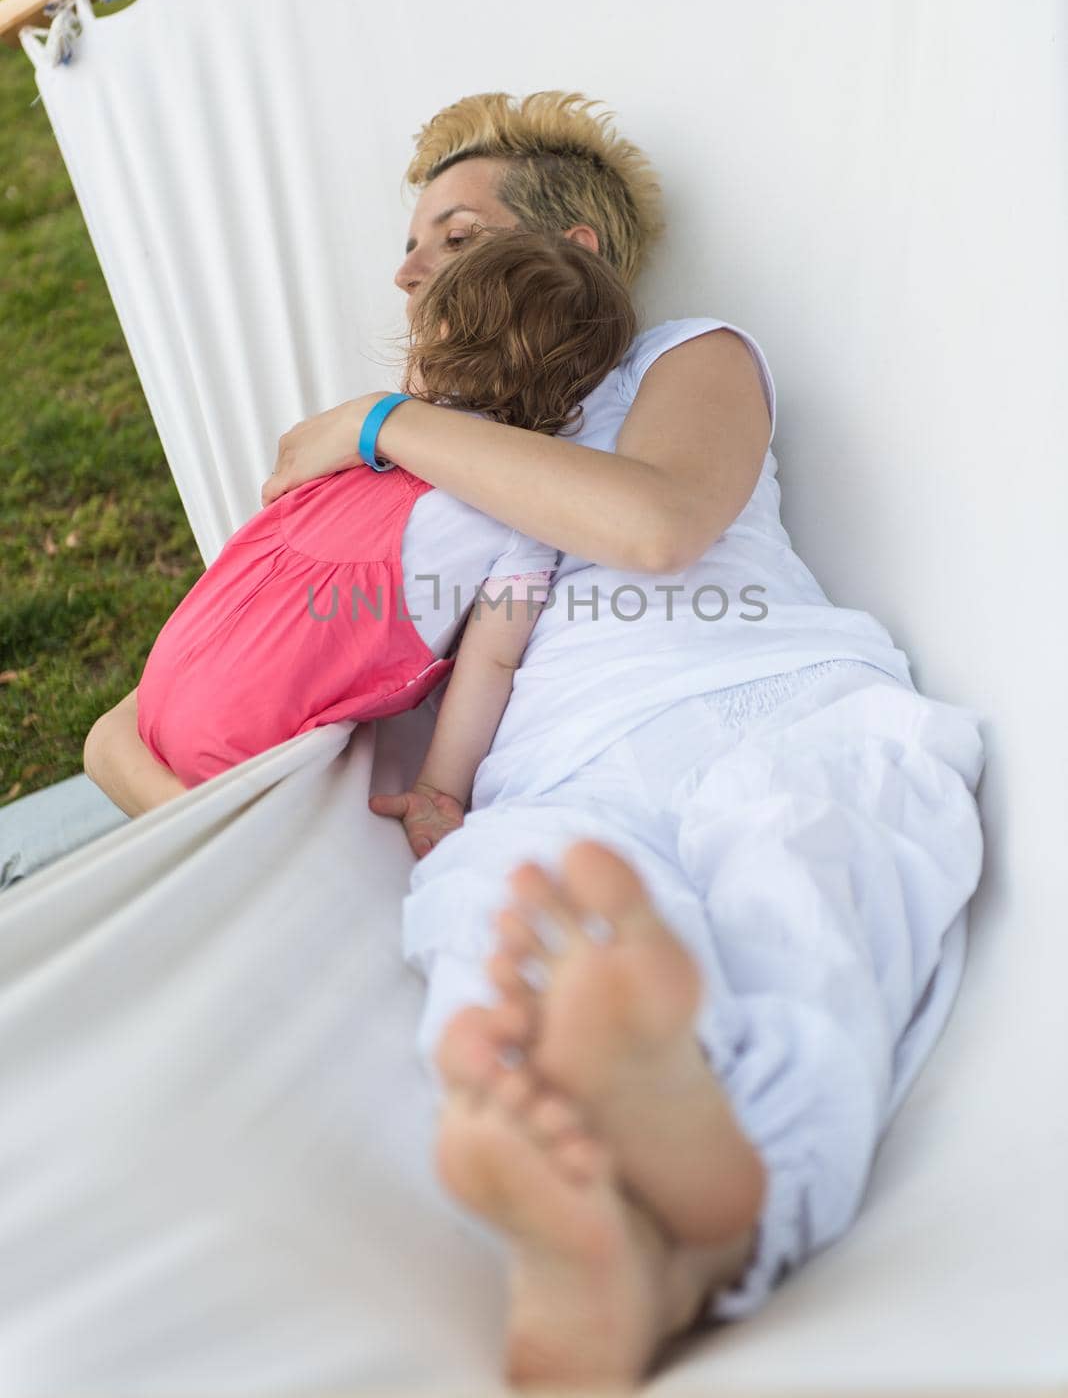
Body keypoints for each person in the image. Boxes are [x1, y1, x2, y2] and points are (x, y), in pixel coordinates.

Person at [220, 90, 990, 1385]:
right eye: (407, 247)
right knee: (496, 925)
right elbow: (347, 647)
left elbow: (659, 527)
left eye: (451, 233)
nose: (408, 270)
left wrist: (385, 423)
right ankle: (614, 1228)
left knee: (800, 872)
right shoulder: (450, 455)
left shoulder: (690, 354)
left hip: (763, 703)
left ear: (571, 249)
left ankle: (711, 1205)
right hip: (556, 779)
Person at [82, 230, 639, 844]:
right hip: (244, 742)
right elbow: (494, 659)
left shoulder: (364, 438)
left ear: (440, 333)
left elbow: (277, 504)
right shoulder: (524, 520)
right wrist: (438, 790)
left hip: (165, 680)